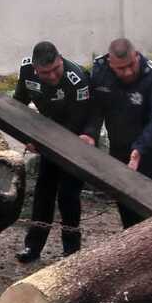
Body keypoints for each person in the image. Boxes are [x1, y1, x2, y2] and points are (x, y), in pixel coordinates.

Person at [79, 37, 152, 228]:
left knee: (148, 199)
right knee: (123, 197)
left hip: (148, 147)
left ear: (136, 56)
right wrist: (90, 133)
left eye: (130, 65)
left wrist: (139, 150)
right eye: (120, 68)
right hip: (118, 144)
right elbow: (96, 108)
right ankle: (131, 242)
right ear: (111, 63)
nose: (128, 72)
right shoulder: (101, 70)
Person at [14, 41, 90, 262]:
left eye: (56, 69)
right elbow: (17, 107)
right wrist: (27, 138)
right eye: (45, 73)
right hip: (47, 139)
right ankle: (33, 247)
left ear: (60, 58)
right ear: (36, 69)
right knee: (43, 194)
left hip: (74, 140)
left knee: (68, 195)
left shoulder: (76, 79)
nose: (53, 76)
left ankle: (72, 251)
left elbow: (79, 121)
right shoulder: (27, 71)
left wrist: (47, 140)